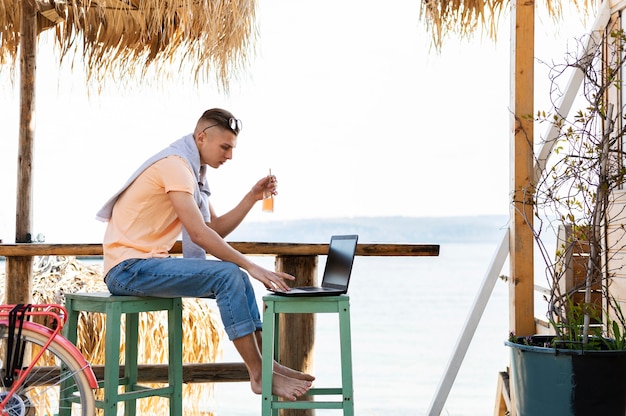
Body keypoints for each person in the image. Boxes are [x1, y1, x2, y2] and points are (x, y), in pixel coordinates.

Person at [95, 108, 314, 401]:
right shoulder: (175, 167)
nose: (230, 155)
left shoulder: (194, 174)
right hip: (128, 270)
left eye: (232, 148)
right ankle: (259, 375)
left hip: (145, 265)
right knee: (230, 275)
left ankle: (267, 365)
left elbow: (214, 229)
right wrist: (252, 266)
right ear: (201, 137)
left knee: (234, 276)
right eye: (225, 147)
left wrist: (252, 197)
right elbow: (199, 234)